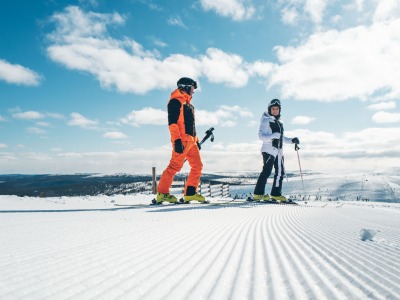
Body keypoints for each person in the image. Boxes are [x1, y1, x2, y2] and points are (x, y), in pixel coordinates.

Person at [156, 77, 205, 204]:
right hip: (182, 141)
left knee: (197, 166)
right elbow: (172, 123)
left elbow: (191, 125)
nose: (193, 91)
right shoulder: (175, 102)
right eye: (192, 88)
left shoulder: (189, 105)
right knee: (174, 167)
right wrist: (177, 140)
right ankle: (162, 193)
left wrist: (196, 140)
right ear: (186, 87)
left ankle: (190, 193)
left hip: (191, 142)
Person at [253, 98, 300, 202]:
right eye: (273, 108)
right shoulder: (266, 120)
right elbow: (261, 136)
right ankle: (258, 194)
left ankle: (276, 194)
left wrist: (292, 140)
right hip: (269, 150)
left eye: (277, 109)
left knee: (280, 172)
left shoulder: (278, 123)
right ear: (269, 109)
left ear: (279, 110)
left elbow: (281, 138)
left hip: (279, 151)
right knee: (266, 171)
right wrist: (272, 136)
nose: (275, 110)